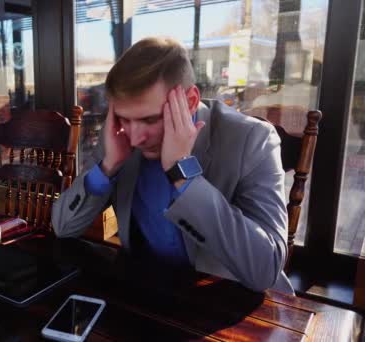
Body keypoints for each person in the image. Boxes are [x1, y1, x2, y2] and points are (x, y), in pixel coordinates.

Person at [52, 37, 293, 294]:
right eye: (125, 118)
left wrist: (183, 173)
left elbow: (266, 269)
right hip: (147, 288)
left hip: (227, 300)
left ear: (189, 101)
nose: (136, 138)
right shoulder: (121, 137)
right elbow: (64, 227)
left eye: (150, 119)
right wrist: (108, 166)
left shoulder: (252, 139)